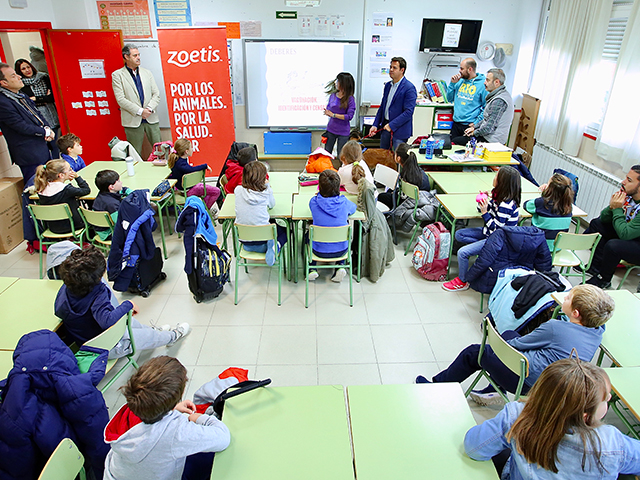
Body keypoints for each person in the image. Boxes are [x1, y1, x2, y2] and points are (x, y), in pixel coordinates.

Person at [417, 284, 615, 405]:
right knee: (510, 333)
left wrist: (499, 345)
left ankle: (435, 387)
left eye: (569, 298)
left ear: (576, 313)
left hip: (526, 382)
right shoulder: (598, 331)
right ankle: (494, 389)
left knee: (473, 353)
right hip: (552, 386)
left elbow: (518, 344)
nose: (565, 297)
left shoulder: (556, 327)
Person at [464, 358, 640, 479]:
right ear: (585, 416)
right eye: (606, 398)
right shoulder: (612, 444)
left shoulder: (517, 416)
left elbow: (474, 447)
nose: (609, 398)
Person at [104, 356, 231, 480]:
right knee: (213, 458)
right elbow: (223, 438)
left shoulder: (131, 408)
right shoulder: (176, 431)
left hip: (116, 473)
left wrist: (171, 407)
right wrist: (200, 418)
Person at [54, 246, 190, 356]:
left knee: (127, 320)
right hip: (106, 347)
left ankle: (155, 331)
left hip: (86, 342)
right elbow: (107, 321)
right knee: (143, 333)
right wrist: (128, 304)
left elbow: (59, 312)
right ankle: (172, 336)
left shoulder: (65, 289)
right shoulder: (98, 292)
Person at [443, 166, 521, 292]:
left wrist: (485, 213)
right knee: (459, 234)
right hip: (489, 233)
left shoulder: (506, 205)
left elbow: (497, 231)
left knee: (462, 253)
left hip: (498, 240)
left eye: (496, 176)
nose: (494, 177)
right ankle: (481, 251)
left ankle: (463, 281)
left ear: (502, 182)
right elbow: (483, 210)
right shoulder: (499, 196)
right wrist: (484, 203)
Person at [0, 62, 58, 182]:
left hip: (42, 147)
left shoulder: (20, 95)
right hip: (29, 153)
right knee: (36, 187)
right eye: (13, 75)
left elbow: (37, 113)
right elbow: (19, 125)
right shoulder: (3, 102)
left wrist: (47, 127)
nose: (19, 77)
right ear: (4, 83)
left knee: (50, 183)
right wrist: (43, 132)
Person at [585, 165, 640, 289]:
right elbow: (604, 218)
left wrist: (617, 209)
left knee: (613, 246)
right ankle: (595, 267)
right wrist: (612, 207)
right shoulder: (630, 197)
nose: (623, 182)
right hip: (631, 235)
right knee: (597, 224)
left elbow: (625, 235)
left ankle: (604, 279)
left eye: (629, 180)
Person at [111, 43, 161, 156]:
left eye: (138, 55)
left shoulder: (147, 73)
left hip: (151, 117)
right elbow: (120, 99)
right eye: (134, 55)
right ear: (126, 57)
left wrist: (148, 109)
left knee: (160, 149)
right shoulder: (118, 75)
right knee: (134, 153)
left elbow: (156, 94)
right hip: (132, 119)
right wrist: (140, 111)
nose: (138, 58)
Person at [308, 169, 357, 283]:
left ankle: (312, 268)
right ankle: (340, 266)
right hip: (342, 250)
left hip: (318, 251)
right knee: (343, 238)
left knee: (308, 236)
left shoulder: (313, 202)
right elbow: (353, 208)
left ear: (319, 187)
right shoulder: (344, 202)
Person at [235, 161, 278, 264]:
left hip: (245, 242)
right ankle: (274, 247)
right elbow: (272, 205)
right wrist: (267, 187)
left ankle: (271, 246)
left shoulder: (238, 190)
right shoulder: (266, 192)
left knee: (267, 223)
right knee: (284, 231)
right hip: (262, 241)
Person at [369, 57, 417, 150]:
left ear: (402, 70)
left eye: (394, 68)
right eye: (390, 67)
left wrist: (392, 125)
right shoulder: (388, 85)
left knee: (397, 159)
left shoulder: (409, 88)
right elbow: (383, 107)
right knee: (384, 157)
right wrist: (375, 125)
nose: (391, 70)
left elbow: (408, 112)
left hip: (400, 130)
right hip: (385, 127)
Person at [35, 158, 91, 234]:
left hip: (53, 228)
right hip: (73, 226)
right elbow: (86, 190)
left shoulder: (42, 189)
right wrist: (77, 177)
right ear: (61, 175)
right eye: (70, 169)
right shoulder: (67, 190)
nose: (72, 171)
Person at [462, 68, 514, 145]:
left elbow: (489, 128)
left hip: (491, 141)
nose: (484, 83)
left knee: (457, 141)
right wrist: (474, 127)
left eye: (487, 80)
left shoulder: (499, 100)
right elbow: (487, 119)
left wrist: (474, 132)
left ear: (496, 82)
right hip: (487, 136)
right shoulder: (497, 95)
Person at [524, 173, 574, 250]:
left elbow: (526, 205)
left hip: (539, 246)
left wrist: (544, 194)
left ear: (550, 188)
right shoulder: (568, 207)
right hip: (557, 247)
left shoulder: (541, 203)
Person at [168, 138, 220, 210]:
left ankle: (203, 207)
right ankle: (204, 210)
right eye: (191, 147)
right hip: (188, 190)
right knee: (216, 191)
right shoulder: (181, 165)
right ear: (186, 151)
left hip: (184, 188)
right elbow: (191, 170)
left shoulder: (177, 160)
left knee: (207, 190)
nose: (192, 149)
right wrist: (205, 166)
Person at [378, 142, 430, 209]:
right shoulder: (419, 171)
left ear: (398, 158)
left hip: (407, 203)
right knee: (389, 191)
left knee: (381, 196)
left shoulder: (405, 175)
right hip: (422, 201)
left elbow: (402, 195)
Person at [447, 58, 487, 146]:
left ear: (470, 69)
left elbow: (486, 107)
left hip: (469, 125)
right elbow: (449, 99)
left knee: (465, 152)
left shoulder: (482, 84)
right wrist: (452, 84)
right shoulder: (459, 81)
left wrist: (477, 123)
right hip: (456, 124)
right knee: (452, 149)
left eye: (462, 68)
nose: (459, 71)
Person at [14, 58, 60, 133]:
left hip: (53, 115)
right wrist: (44, 98)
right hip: (37, 120)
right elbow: (27, 103)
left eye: (28, 67)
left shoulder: (43, 77)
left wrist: (36, 98)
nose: (27, 70)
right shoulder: (21, 85)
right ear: (20, 72)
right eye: (23, 69)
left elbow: (52, 98)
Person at [323, 72, 356, 157]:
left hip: (343, 132)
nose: (336, 83)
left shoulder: (350, 99)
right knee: (327, 153)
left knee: (341, 156)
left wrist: (334, 115)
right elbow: (329, 107)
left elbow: (349, 116)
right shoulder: (333, 96)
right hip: (331, 129)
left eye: (338, 81)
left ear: (344, 84)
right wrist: (327, 112)